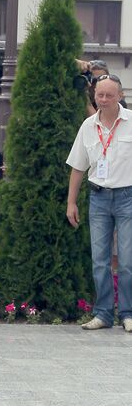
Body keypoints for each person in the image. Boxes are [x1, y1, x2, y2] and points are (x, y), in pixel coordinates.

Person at [67, 73, 132, 333]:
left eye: (109, 95)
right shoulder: (87, 126)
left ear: (120, 96)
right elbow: (77, 167)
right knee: (100, 260)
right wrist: (71, 202)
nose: (103, 100)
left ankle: (127, 313)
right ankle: (103, 313)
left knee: (127, 259)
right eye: (99, 95)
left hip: (128, 196)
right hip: (98, 197)